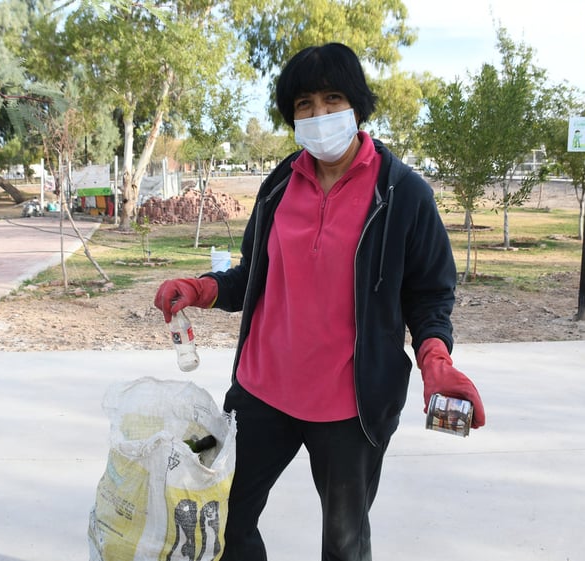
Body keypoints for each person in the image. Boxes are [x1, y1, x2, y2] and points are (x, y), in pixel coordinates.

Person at [153, 43, 486, 561]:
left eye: (333, 99)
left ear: (357, 105)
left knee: (344, 544)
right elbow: (252, 277)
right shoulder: (278, 185)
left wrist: (436, 362)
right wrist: (201, 288)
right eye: (304, 104)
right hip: (261, 393)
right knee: (225, 521)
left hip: (349, 409)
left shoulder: (403, 195)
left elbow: (429, 295)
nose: (319, 114)